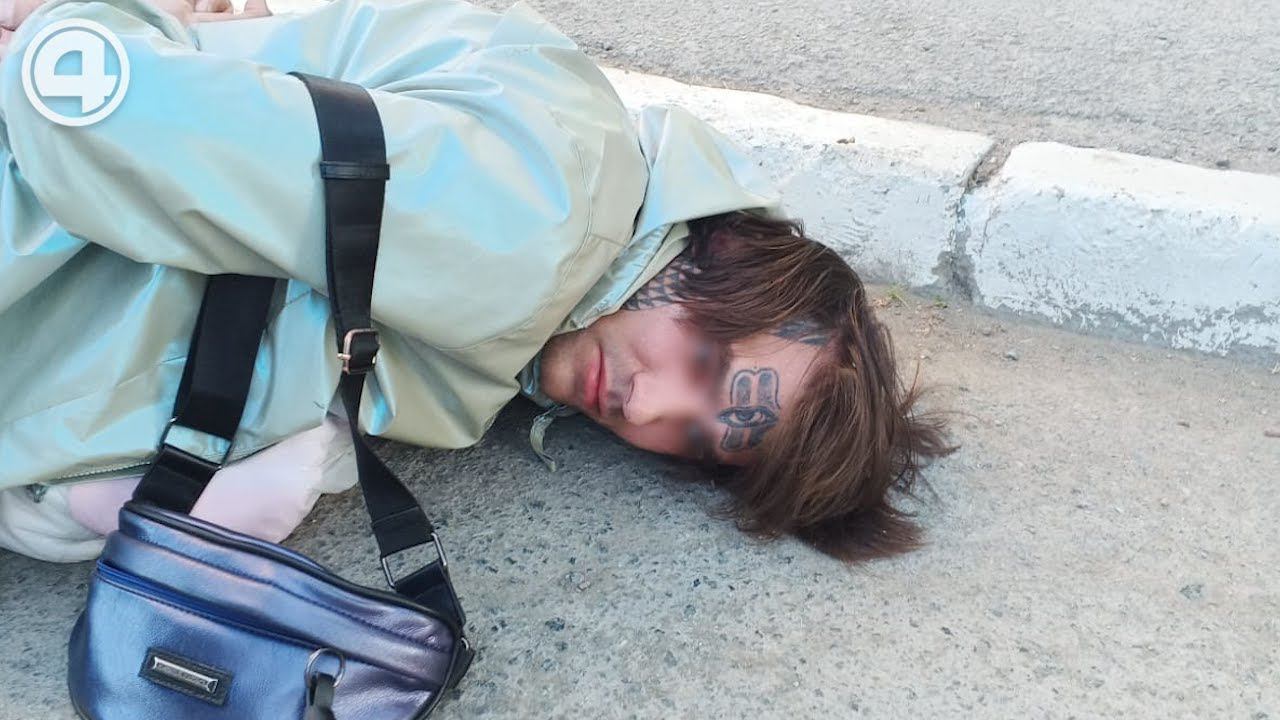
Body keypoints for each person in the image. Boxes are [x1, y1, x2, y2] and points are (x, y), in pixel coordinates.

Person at [0, 0, 952, 563]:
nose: (646, 407)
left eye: (699, 437)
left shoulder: (586, 168)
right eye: (703, 361)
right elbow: (89, 98)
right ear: (729, 250)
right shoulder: (531, 244)